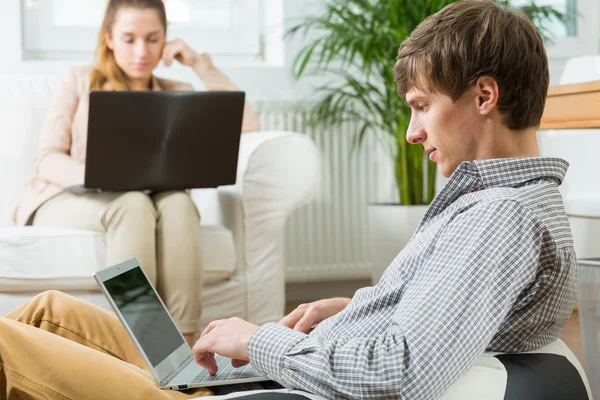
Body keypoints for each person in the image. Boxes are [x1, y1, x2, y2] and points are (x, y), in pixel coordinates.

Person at [0, 0, 578, 399]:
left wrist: (258, 340)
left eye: (421, 106)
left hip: (269, 389)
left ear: (484, 95)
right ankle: (173, 361)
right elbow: (434, 318)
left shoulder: (502, 216)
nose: (411, 131)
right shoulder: (489, 203)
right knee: (49, 309)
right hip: (272, 371)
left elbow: (404, 371)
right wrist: (354, 308)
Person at [13, 0, 260, 348]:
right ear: (109, 38)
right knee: (131, 204)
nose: (141, 51)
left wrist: (201, 65)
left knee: (177, 203)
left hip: (151, 200)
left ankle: (186, 348)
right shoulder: (80, 80)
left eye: (152, 39)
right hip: (70, 197)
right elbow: (47, 157)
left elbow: (247, 124)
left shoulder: (177, 92)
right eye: (129, 39)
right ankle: (140, 347)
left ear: (166, 41)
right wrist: (98, 175)